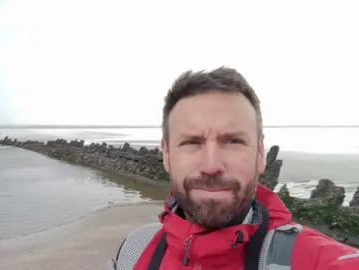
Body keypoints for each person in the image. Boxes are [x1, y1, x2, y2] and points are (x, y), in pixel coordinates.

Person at [107, 67, 359, 270]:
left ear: (261, 154)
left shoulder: (312, 259)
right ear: (167, 155)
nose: (211, 166)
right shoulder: (134, 251)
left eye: (233, 141)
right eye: (191, 142)